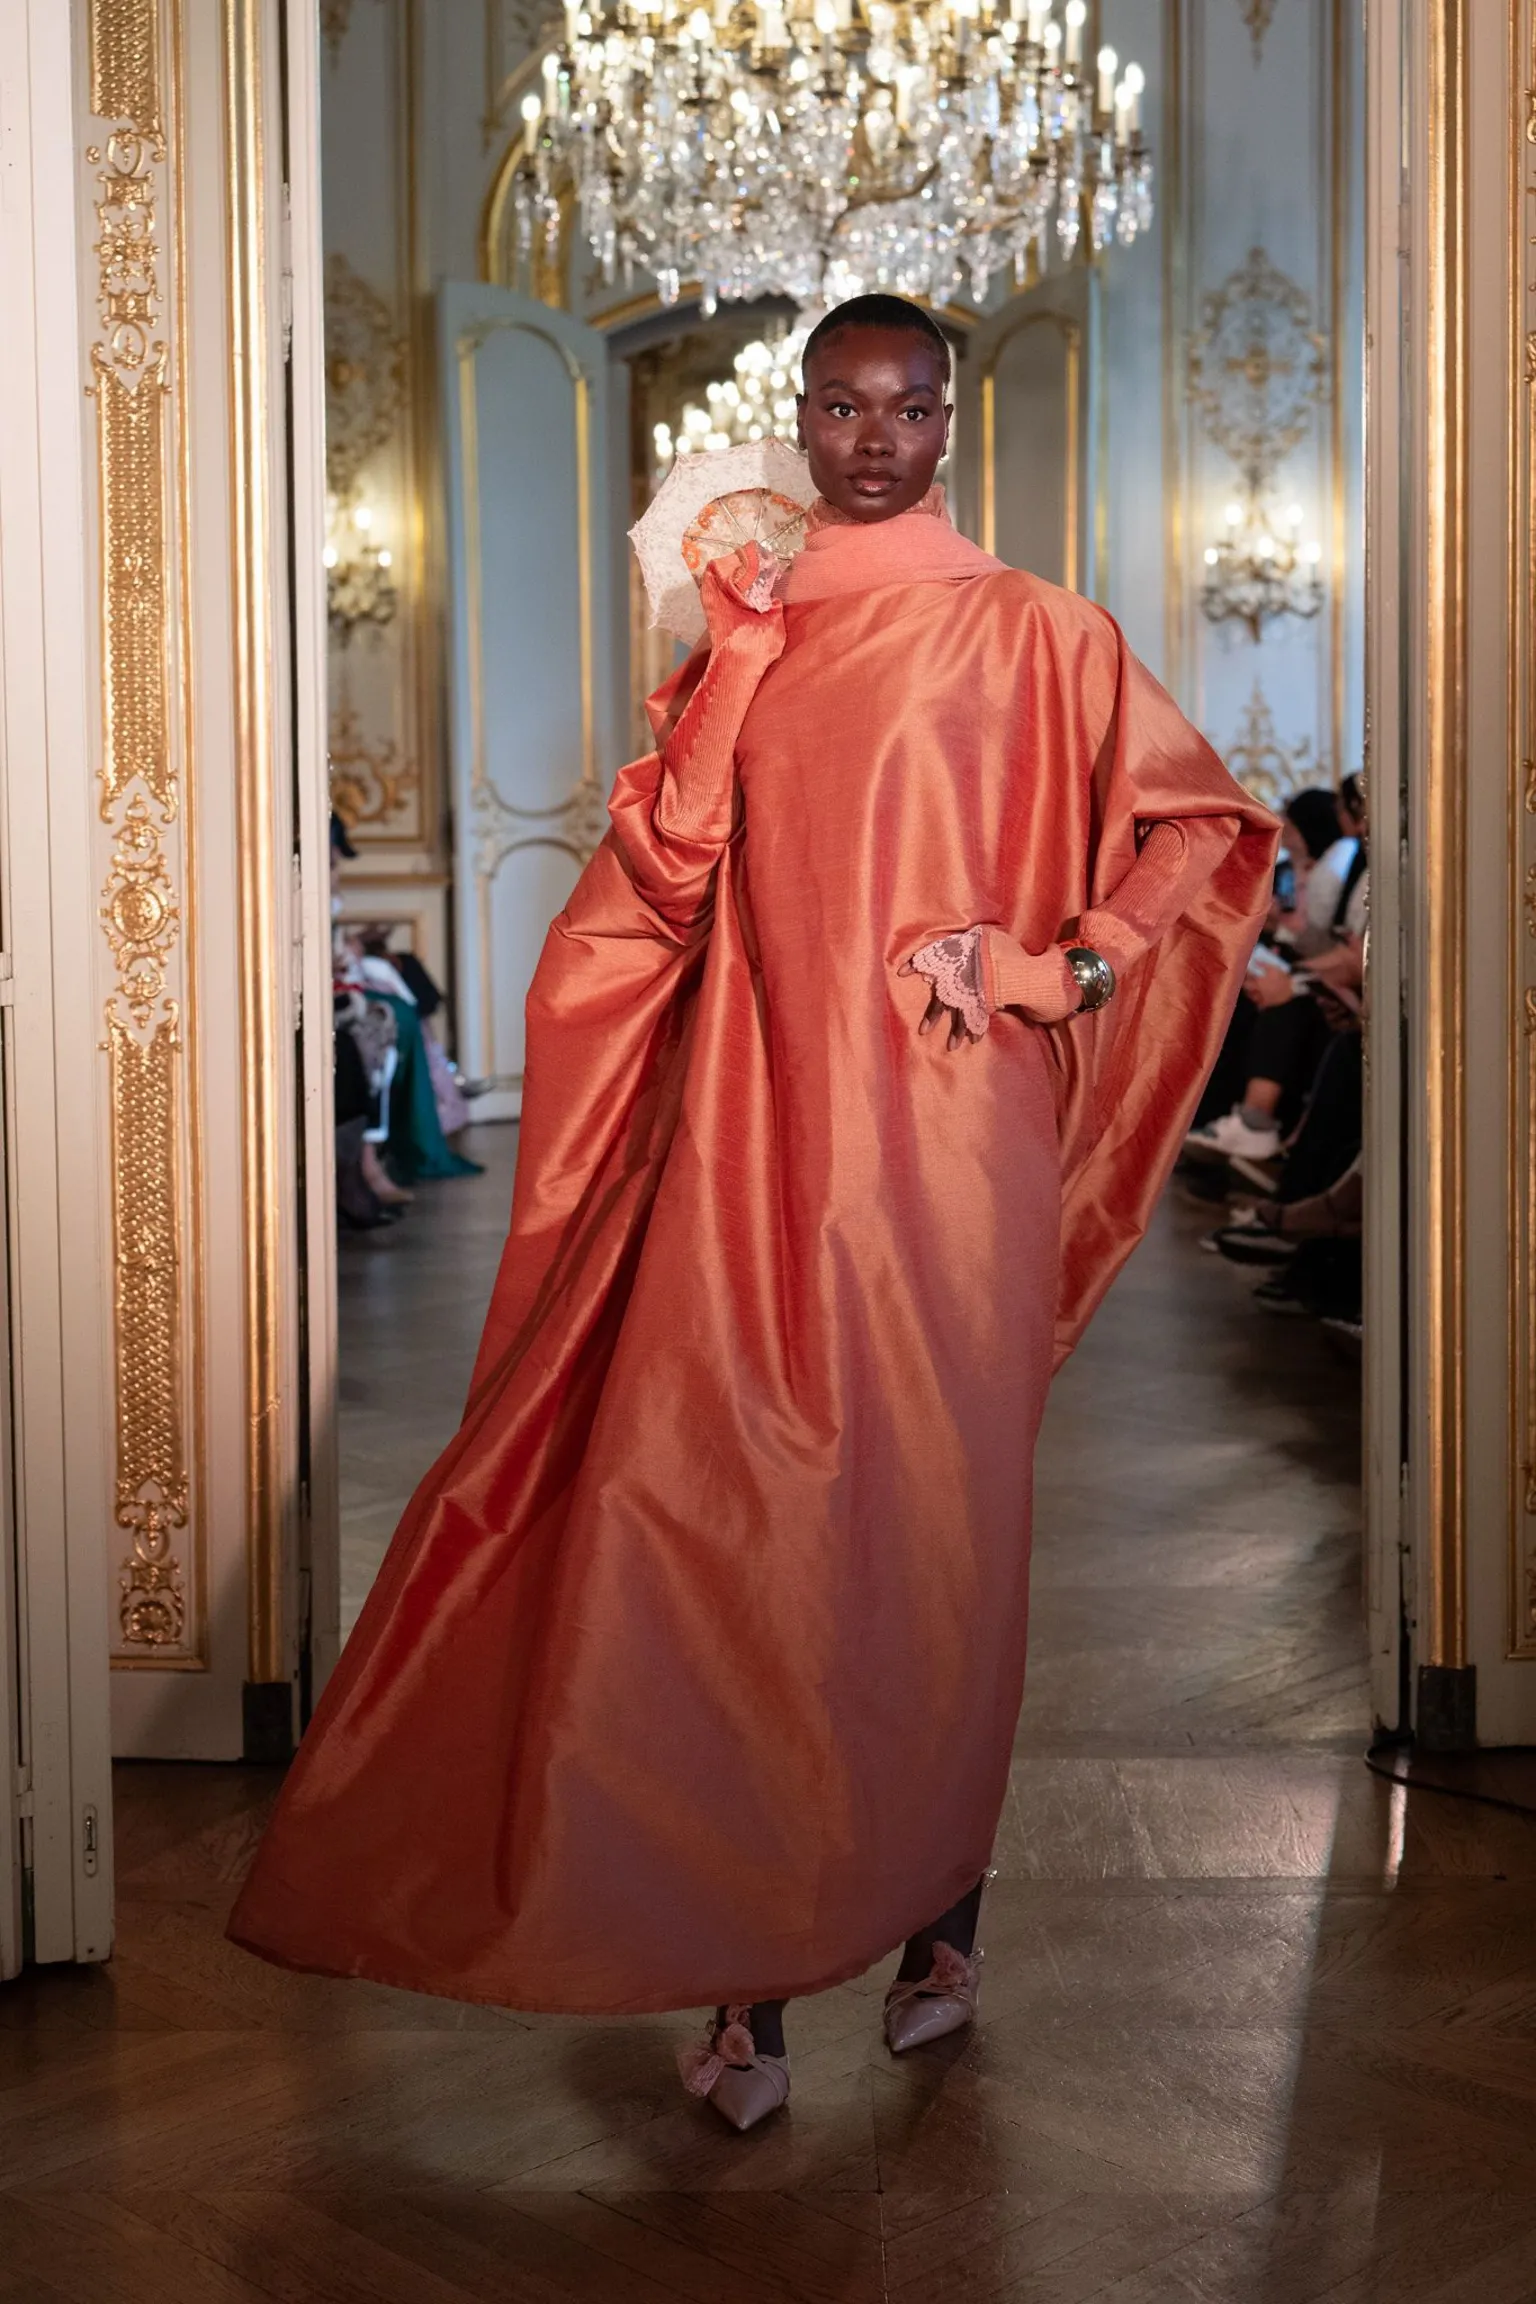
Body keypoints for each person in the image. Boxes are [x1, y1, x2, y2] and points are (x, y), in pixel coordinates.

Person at [229, 295, 1276, 2132]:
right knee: (735, 1535)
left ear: (948, 426)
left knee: (938, 1544)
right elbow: (664, 875)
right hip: (751, 1128)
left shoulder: (1046, 632)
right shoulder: (753, 635)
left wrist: (1066, 971)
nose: (874, 440)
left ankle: (943, 1926)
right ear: (801, 422)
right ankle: (748, 1987)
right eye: (840, 408)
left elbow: (1198, 830)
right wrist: (729, 668)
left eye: (908, 409)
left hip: (952, 1147)